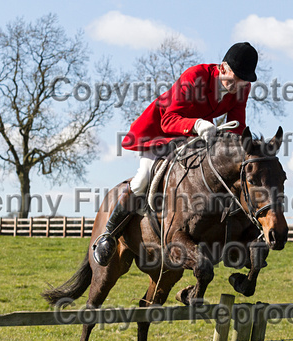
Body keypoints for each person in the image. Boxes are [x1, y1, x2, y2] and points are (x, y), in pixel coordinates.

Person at [93, 42, 259, 266]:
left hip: (195, 137)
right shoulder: (196, 76)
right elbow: (169, 119)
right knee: (143, 178)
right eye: (235, 78)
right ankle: (108, 235)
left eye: (243, 81)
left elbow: (237, 124)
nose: (237, 85)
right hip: (161, 132)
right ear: (222, 68)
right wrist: (198, 124)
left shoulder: (241, 87)